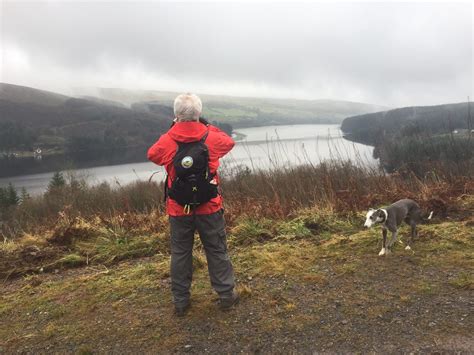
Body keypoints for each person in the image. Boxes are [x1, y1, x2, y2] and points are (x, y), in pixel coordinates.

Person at [147, 93, 239, 316]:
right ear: (199, 113)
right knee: (216, 249)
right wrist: (206, 124)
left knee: (180, 253)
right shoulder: (211, 137)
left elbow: (153, 155)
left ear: (176, 115)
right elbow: (229, 142)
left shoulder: (169, 140)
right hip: (209, 206)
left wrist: (172, 128)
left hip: (179, 208)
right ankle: (226, 295)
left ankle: (181, 301)